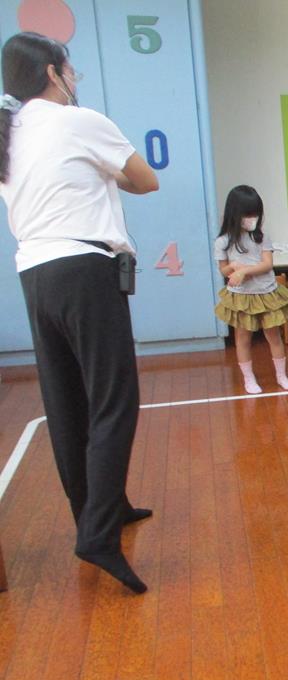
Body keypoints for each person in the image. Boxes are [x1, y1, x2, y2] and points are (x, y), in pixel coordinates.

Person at [0, 32, 159, 593]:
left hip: (35, 275)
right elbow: (146, 180)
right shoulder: (78, 121)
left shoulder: (9, 134)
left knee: (67, 401)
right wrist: (107, 172)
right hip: (86, 271)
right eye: (72, 70)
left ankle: (99, 511)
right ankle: (97, 535)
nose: (76, 79)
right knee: (114, 400)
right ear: (52, 72)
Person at [214, 185, 288, 394]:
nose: (252, 218)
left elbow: (267, 264)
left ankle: (281, 375)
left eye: (255, 214)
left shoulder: (261, 237)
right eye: (248, 214)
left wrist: (244, 271)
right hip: (242, 297)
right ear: (235, 213)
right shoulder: (223, 241)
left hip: (266, 293)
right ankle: (248, 378)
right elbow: (223, 270)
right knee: (243, 338)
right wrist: (233, 268)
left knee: (274, 335)